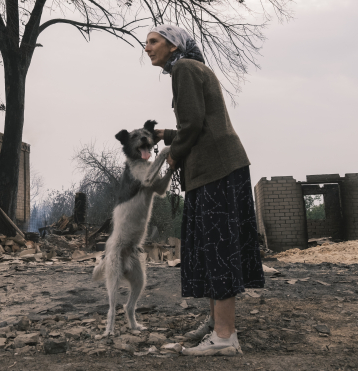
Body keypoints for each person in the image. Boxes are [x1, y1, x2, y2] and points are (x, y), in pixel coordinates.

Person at [144, 24, 265, 356]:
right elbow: (196, 123)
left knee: (218, 248)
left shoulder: (183, 68)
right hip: (217, 169)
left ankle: (225, 337)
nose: (147, 47)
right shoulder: (191, 68)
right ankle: (217, 325)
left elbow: (194, 125)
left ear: (172, 45)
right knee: (213, 247)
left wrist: (169, 164)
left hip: (217, 171)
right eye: (146, 43)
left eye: (153, 41)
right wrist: (165, 135)